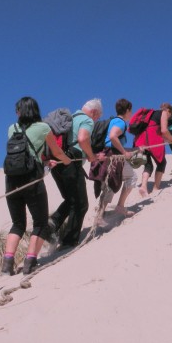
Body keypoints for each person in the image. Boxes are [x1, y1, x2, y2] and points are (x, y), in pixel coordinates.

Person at [1, 97, 72, 275]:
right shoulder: (43, 128)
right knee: (40, 223)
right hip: (32, 180)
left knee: (18, 223)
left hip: (11, 181)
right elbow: (55, 151)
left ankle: (7, 264)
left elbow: (25, 153)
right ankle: (30, 262)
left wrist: (45, 161)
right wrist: (66, 160)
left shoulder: (12, 128)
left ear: (21, 111)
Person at [49, 99, 105, 248]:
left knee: (70, 200)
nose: (97, 119)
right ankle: (69, 241)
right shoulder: (87, 120)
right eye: (98, 116)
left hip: (56, 163)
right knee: (81, 204)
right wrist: (91, 156)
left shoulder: (69, 119)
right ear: (94, 112)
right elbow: (83, 138)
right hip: (71, 163)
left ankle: (51, 224)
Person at [96, 98, 137, 222]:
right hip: (114, 156)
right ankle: (120, 206)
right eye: (131, 111)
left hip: (107, 154)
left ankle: (100, 214)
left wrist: (134, 149)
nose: (131, 113)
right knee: (132, 177)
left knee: (110, 182)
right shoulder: (121, 122)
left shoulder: (112, 121)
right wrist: (124, 152)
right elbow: (113, 137)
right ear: (127, 110)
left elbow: (111, 141)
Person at [137, 102, 172, 196]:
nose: (169, 117)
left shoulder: (152, 114)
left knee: (148, 164)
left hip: (141, 140)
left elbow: (161, 134)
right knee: (162, 163)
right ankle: (156, 188)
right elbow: (164, 131)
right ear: (169, 110)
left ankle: (144, 187)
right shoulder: (164, 113)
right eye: (171, 114)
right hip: (152, 140)